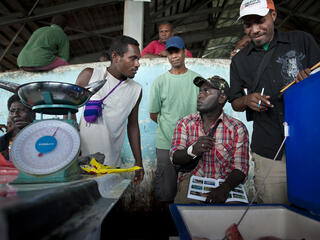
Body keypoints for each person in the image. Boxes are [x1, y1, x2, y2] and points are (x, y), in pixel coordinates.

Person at [229, 0, 320, 204]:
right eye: (248, 25)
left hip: (310, 145)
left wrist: (311, 80)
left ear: (274, 16)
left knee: (311, 210)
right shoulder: (239, 61)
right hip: (269, 149)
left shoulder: (301, 40)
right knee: (274, 211)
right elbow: (235, 101)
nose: (254, 30)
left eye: (260, 21)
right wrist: (247, 100)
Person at [75, 35, 144, 184]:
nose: (138, 64)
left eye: (138, 59)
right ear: (115, 57)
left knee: (106, 202)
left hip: (111, 163)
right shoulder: (90, 75)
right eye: (132, 58)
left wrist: (139, 162)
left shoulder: (136, 90)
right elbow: (70, 110)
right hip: (83, 160)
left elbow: (132, 126)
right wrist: (71, 149)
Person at [170, 76, 249, 204]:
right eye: (200, 91)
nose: (200, 95)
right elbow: (175, 158)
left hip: (226, 182)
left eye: (206, 91)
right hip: (193, 180)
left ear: (222, 98)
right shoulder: (184, 123)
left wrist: (224, 188)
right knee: (185, 211)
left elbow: (241, 168)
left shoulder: (237, 128)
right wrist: (192, 150)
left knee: (236, 214)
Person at [149, 36, 201, 203]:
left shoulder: (197, 80)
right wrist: (171, 129)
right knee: (165, 191)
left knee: (190, 191)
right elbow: (154, 113)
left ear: (185, 52)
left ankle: (185, 225)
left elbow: (203, 112)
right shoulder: (160, 82)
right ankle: (166, 226)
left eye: (177, 51)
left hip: (192, 144)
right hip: (166, 144)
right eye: (170, 52)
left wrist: (186, 134)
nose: (174, 56)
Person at [0, 95, 35, 166]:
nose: (16, 114)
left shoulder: (41, 140)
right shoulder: (3, 142)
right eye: (12, 111)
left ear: (33, 114)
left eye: (22, 110)